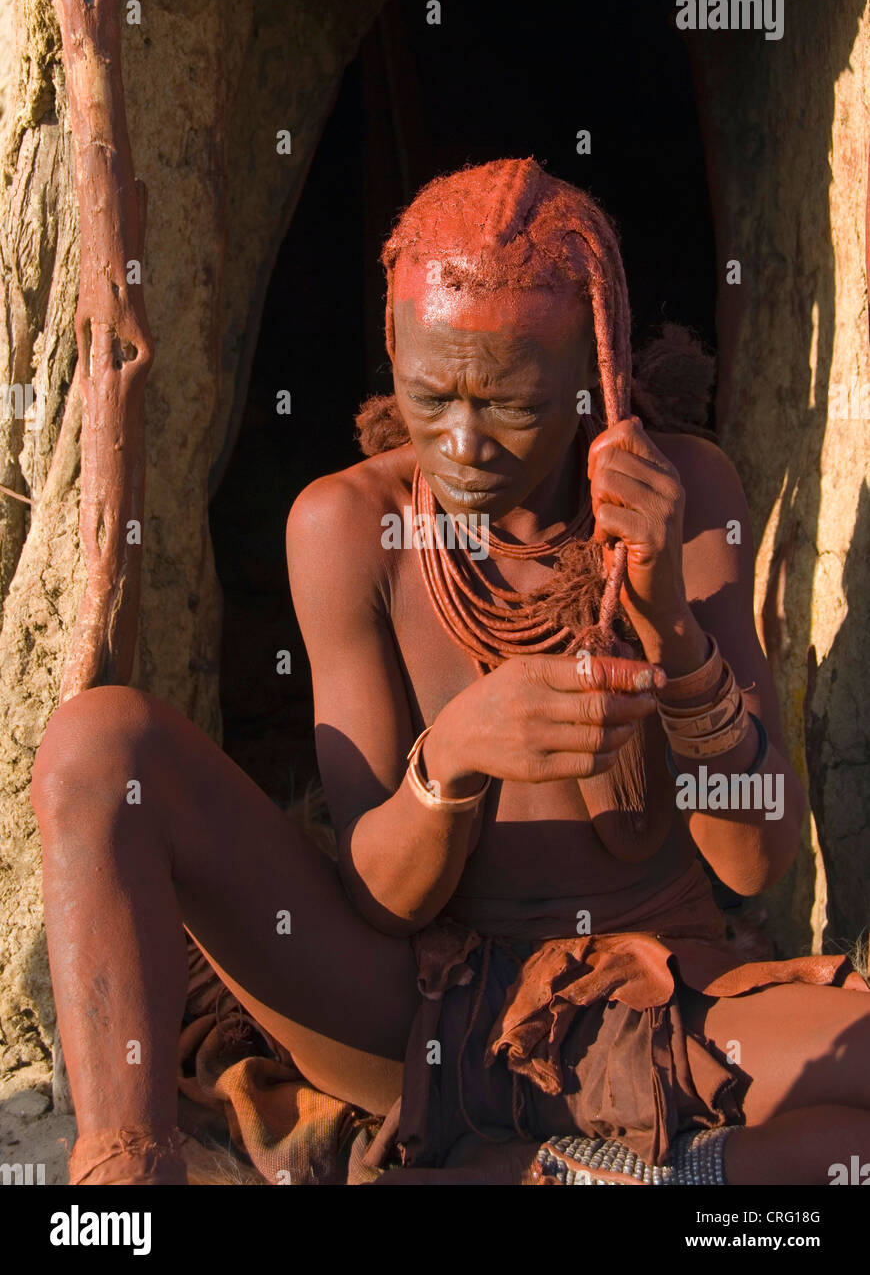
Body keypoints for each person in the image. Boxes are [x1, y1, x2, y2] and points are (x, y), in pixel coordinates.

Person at [30, 157, 870, 1186]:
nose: (463, 443)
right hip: (411, 1007)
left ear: (589, 371)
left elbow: (756, 863)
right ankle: (121, 1179)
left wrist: (670, 634)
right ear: (392, 347)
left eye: (511, 406)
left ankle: (574, 1173)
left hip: (656, 996)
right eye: (433, 397)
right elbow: (384, 898)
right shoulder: (349, 526)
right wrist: (455, 756)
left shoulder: (686, 492)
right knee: (98, 744)